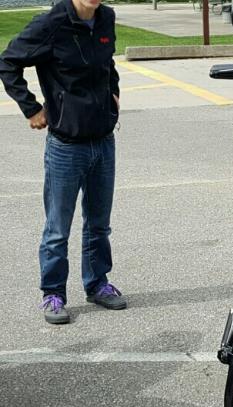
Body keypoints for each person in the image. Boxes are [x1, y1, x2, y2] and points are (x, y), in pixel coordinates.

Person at [0, 0, 126, 325]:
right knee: (58, 228)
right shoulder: (52, 24)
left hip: (103, 141)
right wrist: (31, 108)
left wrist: (114, 91)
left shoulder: (105, 18)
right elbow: (8, 62)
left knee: (99, 224)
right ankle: (52, 293)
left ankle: (97, 284)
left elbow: (107, 63)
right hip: (66, 146)